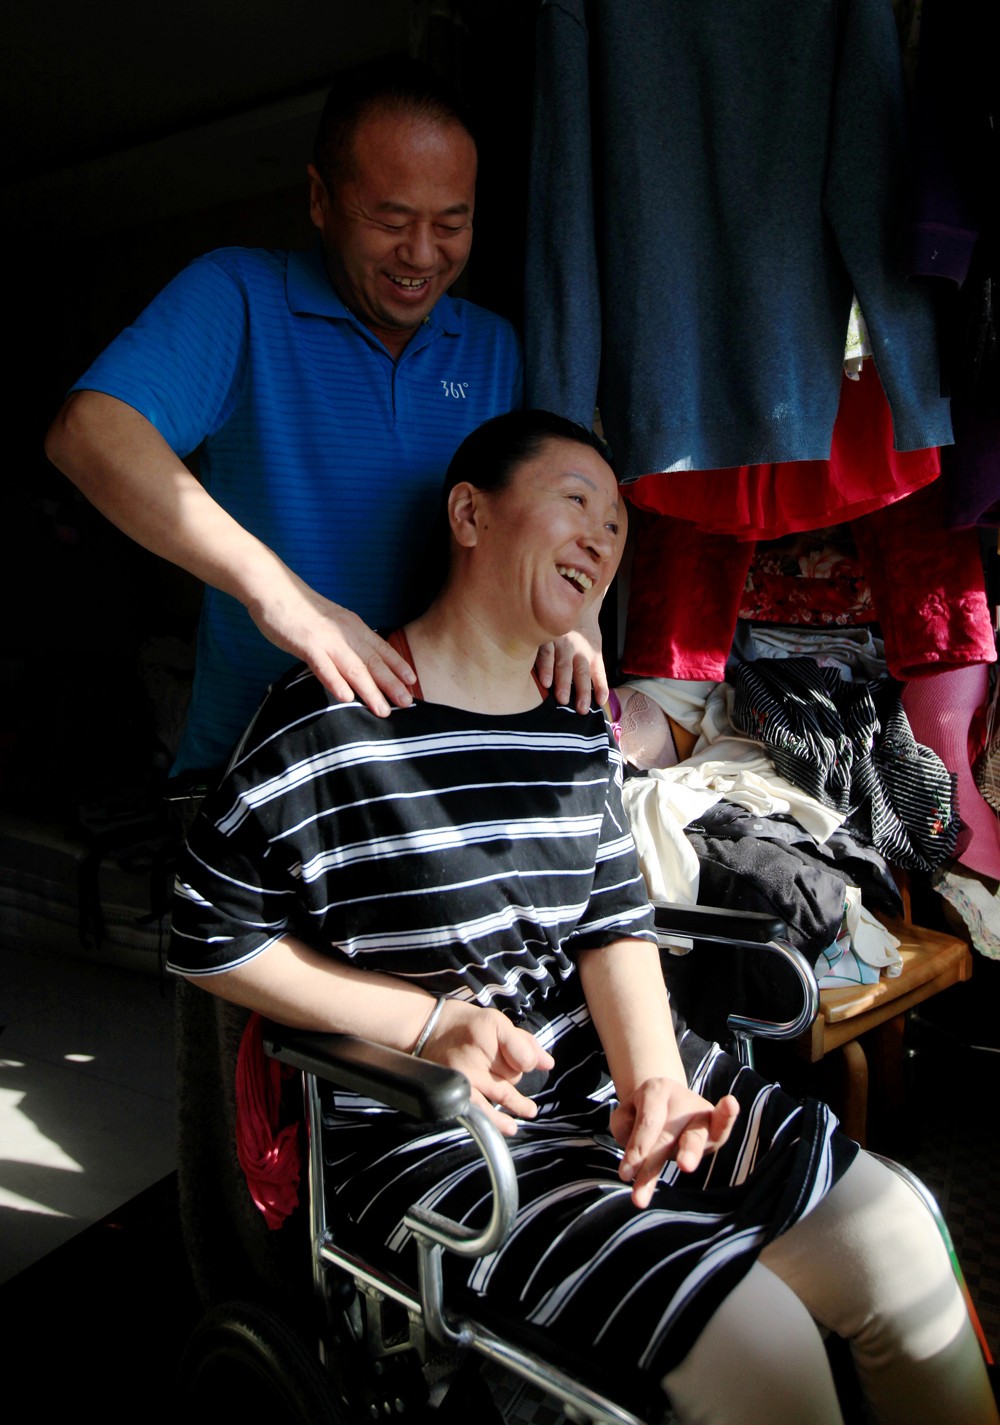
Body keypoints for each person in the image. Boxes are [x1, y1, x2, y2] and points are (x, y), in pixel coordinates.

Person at [169, 410, 997, 1425]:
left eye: (616, 527)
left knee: (898, 1236)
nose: (603, 541)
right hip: (446, 1132)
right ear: (469, 515)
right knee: (765, 1347)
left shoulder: (569, 725)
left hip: (603, 1080)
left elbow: (613, 920)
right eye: (577, 504)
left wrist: (656, 1085)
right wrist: (427, 1024)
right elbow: (209, 938)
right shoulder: (331, 722)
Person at [44, 59, 607, 779]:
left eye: (451, 224)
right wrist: (283, 597)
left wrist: (578, 614)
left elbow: (570, 509)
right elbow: (88, 431)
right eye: (391, 221)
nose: (422, 254)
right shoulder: (240, 297)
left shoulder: (497, 349)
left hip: (439, 773)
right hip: (259, 772)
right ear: (320, 199)